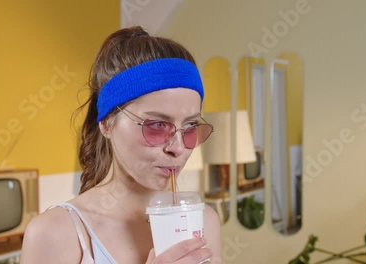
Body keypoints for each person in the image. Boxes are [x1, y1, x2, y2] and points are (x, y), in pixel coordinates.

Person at [20, 26, 222, 264]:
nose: (178, 148)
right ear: (106, 123)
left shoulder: (202, 220)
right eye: (156, 125)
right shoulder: (57, 233)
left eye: (189, 127)